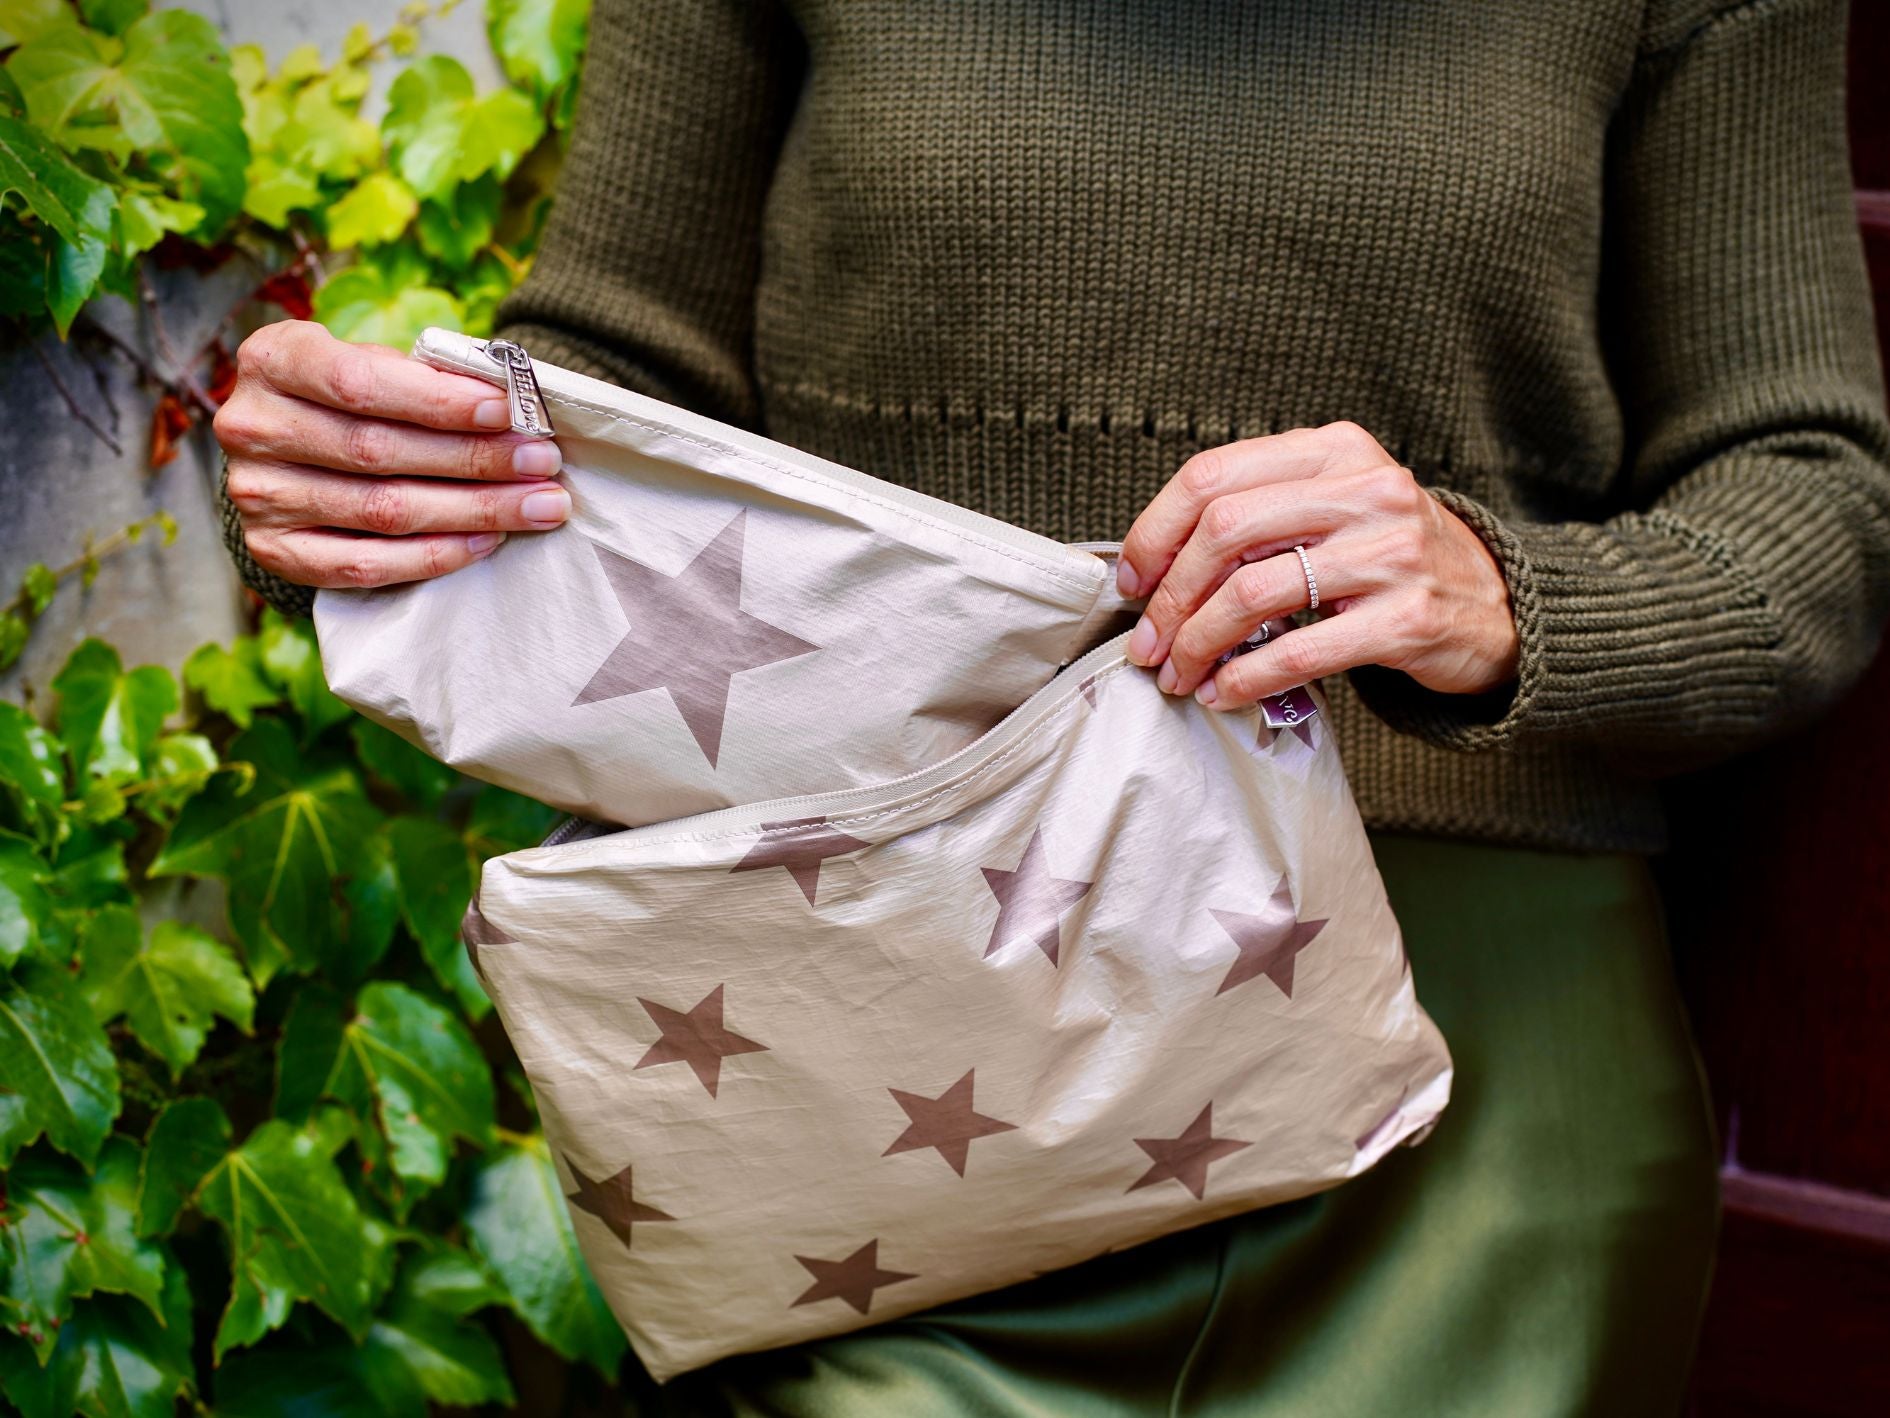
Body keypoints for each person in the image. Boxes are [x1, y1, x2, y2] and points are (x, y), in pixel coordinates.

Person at [214, 2, 1890, 1412]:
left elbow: (1813, 496)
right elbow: (614, 381)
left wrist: (1502, 594)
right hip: (887, 1056)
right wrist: (394, 478)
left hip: (1468, 1101)